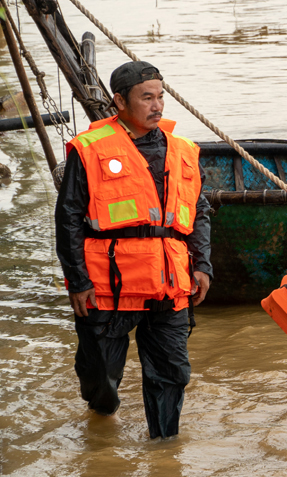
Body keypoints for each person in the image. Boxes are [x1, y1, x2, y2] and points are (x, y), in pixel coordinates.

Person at [54, 61, 212, 439]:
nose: (157, 106)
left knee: (171, 374)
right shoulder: (90, 148)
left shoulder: (184, 150)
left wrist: (202, 264)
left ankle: (165, 453)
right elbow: (69, 218)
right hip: (109, 287)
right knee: (101, 380)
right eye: (147, 98)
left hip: (169, 284)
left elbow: (199, 211)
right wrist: (77, 281)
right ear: (119, 101)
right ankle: (102, 420)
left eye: (161, 97)